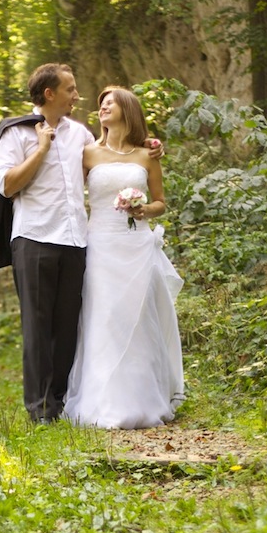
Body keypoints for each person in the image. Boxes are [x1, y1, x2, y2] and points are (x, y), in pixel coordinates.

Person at [0, 64, 162, 424]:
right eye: (70, 89)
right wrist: (39, 150)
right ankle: (38, 411)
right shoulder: (16, 133)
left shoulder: (80, 134)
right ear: (49, 93)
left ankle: (61, 403)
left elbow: (110, 156)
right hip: (34, 237)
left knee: (68, 326)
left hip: (75, 241)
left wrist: (146, 146)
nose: (77, 95)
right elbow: (6, 186)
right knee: (38, 327)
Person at [63, 86, 185, 430]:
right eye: (100, 103)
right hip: (100, 243)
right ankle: (101, 401)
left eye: (110, 103)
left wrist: (145, 208)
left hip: (136, 245)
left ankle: (144, 398)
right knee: (103, 315)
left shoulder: (147, 156)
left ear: (127, 110)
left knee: (139, 316)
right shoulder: (87, 153)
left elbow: (161, 201)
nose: (103, 107)